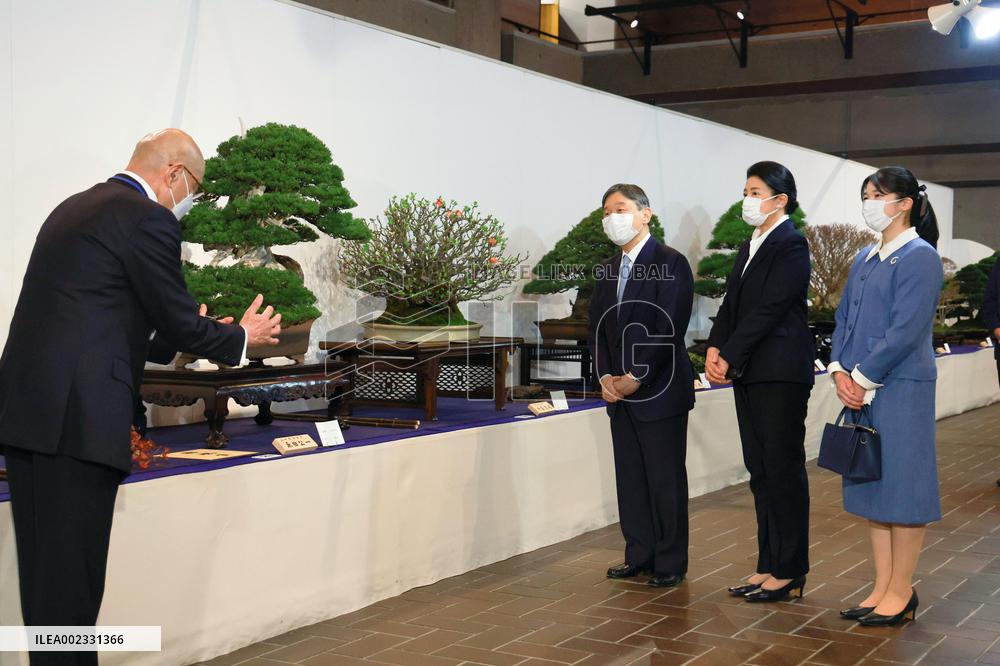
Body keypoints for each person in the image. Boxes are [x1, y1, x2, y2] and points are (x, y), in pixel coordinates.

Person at [0, 129, 282, 663]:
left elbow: (107, 316)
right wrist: (241, 336)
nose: (189, 201)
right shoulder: (146, 217)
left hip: (30, 415)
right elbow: (174, 317)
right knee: (74, 591)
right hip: (77, 421)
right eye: (194, 187)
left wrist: (183, 331)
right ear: (174, 174)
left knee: (45, 586)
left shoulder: (75, 207)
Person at [828, 166, 942, 627]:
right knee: (872, 486)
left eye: (878, 195)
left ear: (905, 202)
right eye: (865, 195)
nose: (870, 203)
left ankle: (902, 590)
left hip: (900, 387)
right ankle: (881, 586)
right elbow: (843, 318)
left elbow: (906, 329)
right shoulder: (864, 257)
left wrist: (862, 375)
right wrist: (838, 370)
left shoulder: (920, 256)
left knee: (902, 489)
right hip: (860, 387)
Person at [705, 161, 814, 603]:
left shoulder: (791, 243)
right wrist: (714, 346)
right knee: (761, 470)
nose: (747, 199)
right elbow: (733, 301)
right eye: (745, 190)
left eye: (755, 191)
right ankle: (767, 563)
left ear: (779, 199)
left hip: (780, 370)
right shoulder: (753, 242)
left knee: (783, 469)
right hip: (750, 369)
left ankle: (790, 570)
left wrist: (731, 353)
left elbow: (771, 308)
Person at [587, 183, 695, 588]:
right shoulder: (606, 269)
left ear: (645, 214)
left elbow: (667, 326)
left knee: (664, 478)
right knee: (630, 477)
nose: (611, 218)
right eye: (606, 211)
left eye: (620, 209)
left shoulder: (670, 262)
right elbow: (596, 328)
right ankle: (639, 553)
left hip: (659, 390)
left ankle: (669, 560)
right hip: (618, 395)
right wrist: (605, 378)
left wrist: (634, 376)